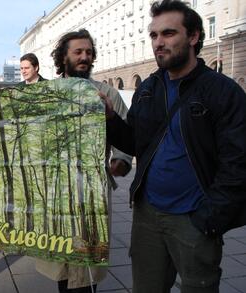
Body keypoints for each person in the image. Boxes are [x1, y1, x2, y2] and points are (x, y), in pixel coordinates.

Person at [102, 1, 246, 292]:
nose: (158, 42)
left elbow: (239, 162)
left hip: (193, 217)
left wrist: (210, 217)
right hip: (147, 216)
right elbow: (135, 143)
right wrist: (110, 119)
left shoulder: (222, 91)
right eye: (154, 35)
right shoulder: (148, 89)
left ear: (193, 37)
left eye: (168, 33)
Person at [35, 29, 132, 293]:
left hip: (92, 193)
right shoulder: (45, 95)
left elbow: (127, 136)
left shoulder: (107, 94)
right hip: (53, 193)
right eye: (78, 52)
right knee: (62, 262)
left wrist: (121, 162)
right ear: (63, 57)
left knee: (85, 265)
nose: (84, 57)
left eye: (88, 52)